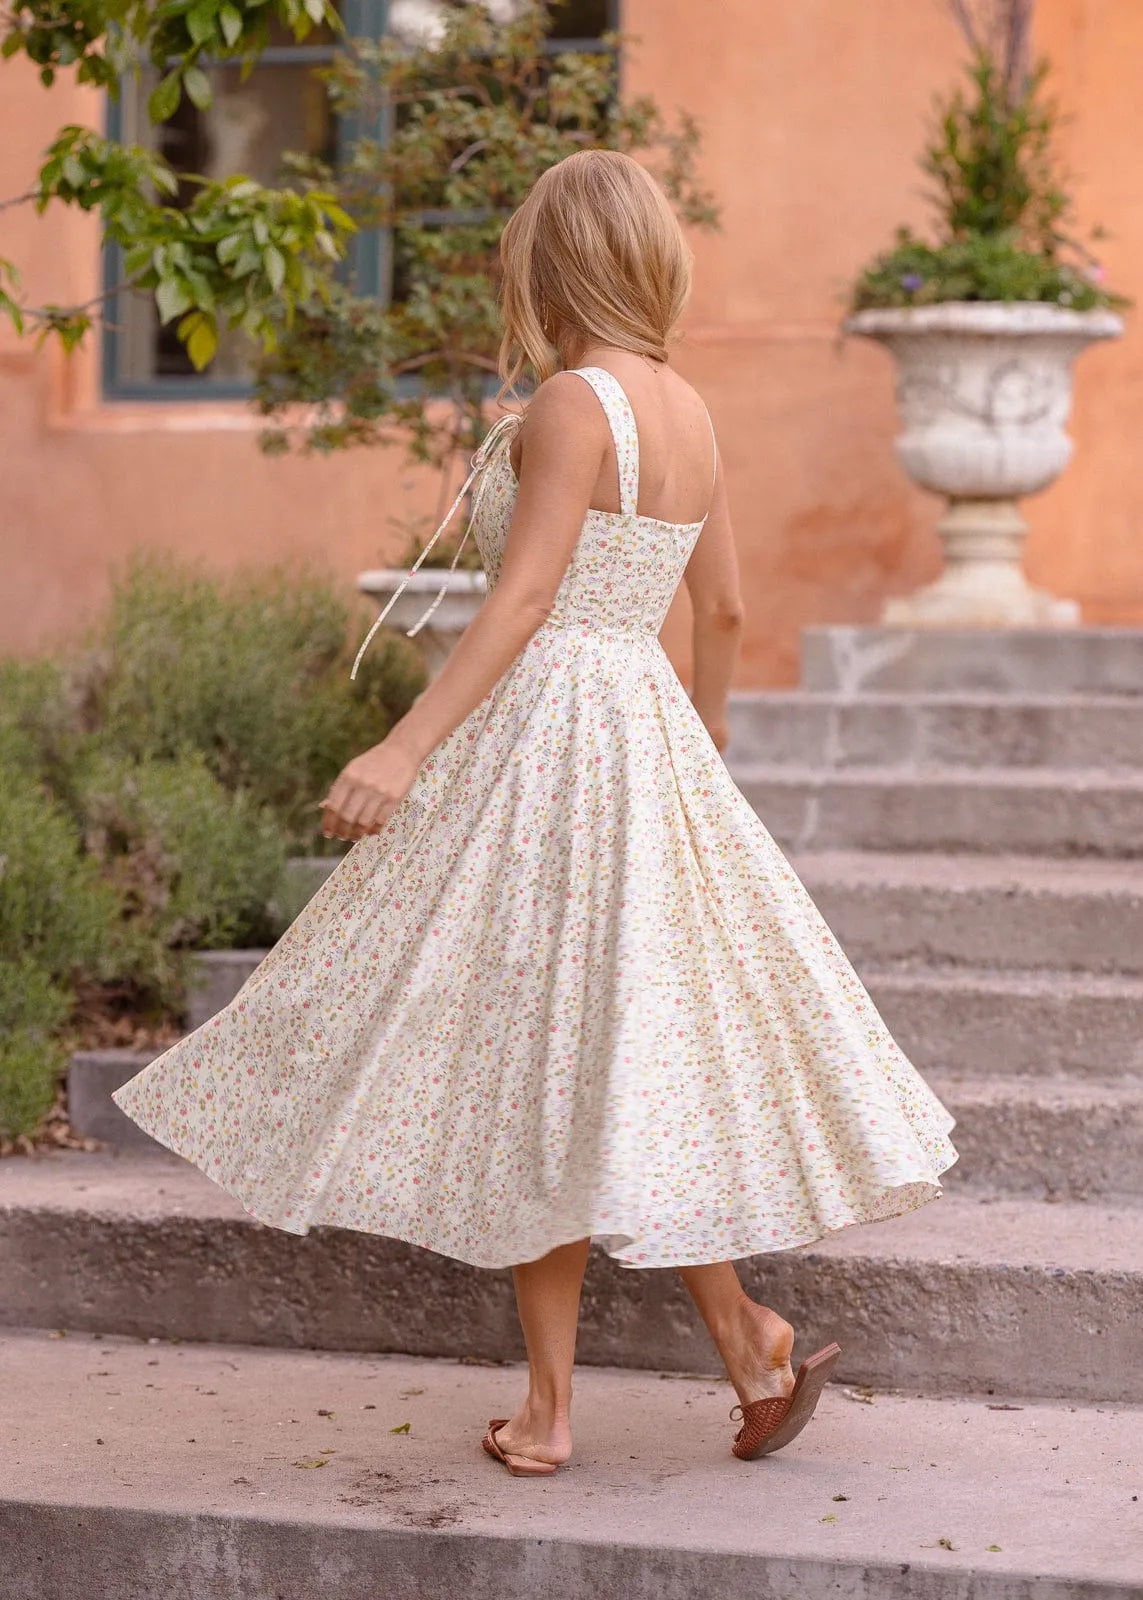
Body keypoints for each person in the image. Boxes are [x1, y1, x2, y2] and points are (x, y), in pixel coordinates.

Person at [113, 148, 956, 1476]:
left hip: (553, 736)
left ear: (552, 265)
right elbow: (726, 609)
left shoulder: (574, 401)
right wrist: (702, 742)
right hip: (644, 729)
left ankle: (576, 1403)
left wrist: (403, 746)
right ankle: (733, 1349)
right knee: (597, 1059)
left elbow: (520, 600)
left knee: (540, 1055)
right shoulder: (691, 410)